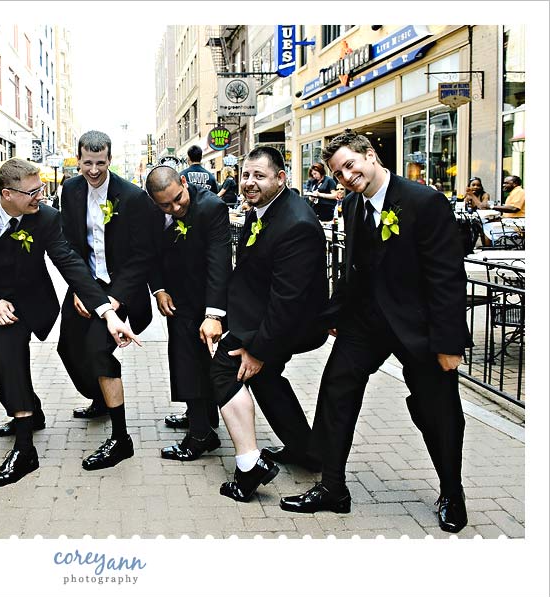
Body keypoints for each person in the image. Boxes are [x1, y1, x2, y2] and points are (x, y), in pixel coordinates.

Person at [281, 129, 470, 534]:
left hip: (418, 328)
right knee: (335, 391)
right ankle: (332, 487)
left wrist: (450, 343)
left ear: (371, 155)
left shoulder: (424, 201)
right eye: (338, 172)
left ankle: (452, 492)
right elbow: (357, 267)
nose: (346, 177)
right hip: (364, 324)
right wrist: (336, 313)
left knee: (438, 411)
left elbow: (447, 277)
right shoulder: (352, 205)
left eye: (350, 165)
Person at [0, 158, 140, 487]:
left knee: (8, 356)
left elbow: (70, 264)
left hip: (27, 302)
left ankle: (24, 450)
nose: (39, 196)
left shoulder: (46, 219)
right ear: (7, 194)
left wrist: (107, 312)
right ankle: (30, 411)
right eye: (31, 192)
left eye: (40, 189)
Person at [210, 147, 328, 502]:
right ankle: (306, 451)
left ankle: (249, 467)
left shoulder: (297, 224)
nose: (249, 182)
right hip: (264, 316)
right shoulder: (262, 211)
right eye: (246, 175)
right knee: (266, 380)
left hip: (291, 323)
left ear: (281, 178)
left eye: (259, 176)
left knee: (224, 368)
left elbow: (287, 300)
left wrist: (258, 350)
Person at [58, 130, 156, 470]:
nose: (94, 170)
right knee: (68, 348)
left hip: (119, 287)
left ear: (110, 160)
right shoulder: (69, 190)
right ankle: (100, 398)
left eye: (100, 163)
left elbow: (142, 257)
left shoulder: (131, 197)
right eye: (87, 163)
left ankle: (120, 438)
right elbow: (68, 246)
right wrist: (81, 290)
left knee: (99, 352)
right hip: (85, 284)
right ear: (78, 160)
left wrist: (113, 299)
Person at [145, 166, 231, 459]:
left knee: (193, 363)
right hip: (176, 298)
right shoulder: (153, 212)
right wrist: (158, 289)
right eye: (166, 205)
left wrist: (214, 314)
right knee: (184, 359)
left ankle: (200, 436)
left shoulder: (212, 208)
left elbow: (220, 262)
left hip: (207, 298)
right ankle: (201, 418)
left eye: (178, 199)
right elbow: (151, 254)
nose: (175, 207)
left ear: (184, 182)